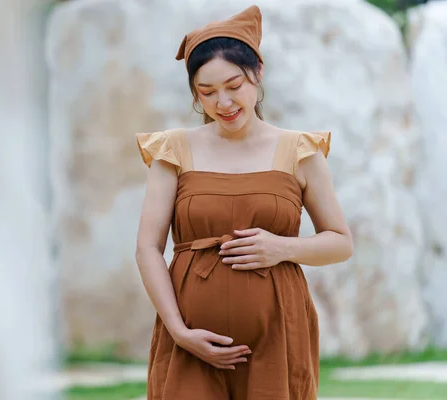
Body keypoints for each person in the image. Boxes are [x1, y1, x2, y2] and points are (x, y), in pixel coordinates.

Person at [134, 4, 353, 400]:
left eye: (234, 86)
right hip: (189, 337)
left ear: (258, 73)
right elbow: (148, 248)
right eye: (207, 92)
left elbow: (340, 242)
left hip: (278, 334)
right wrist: (178, 331)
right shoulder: (173, 150)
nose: (223, 102)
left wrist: (281, 248)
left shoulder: (300, 151)